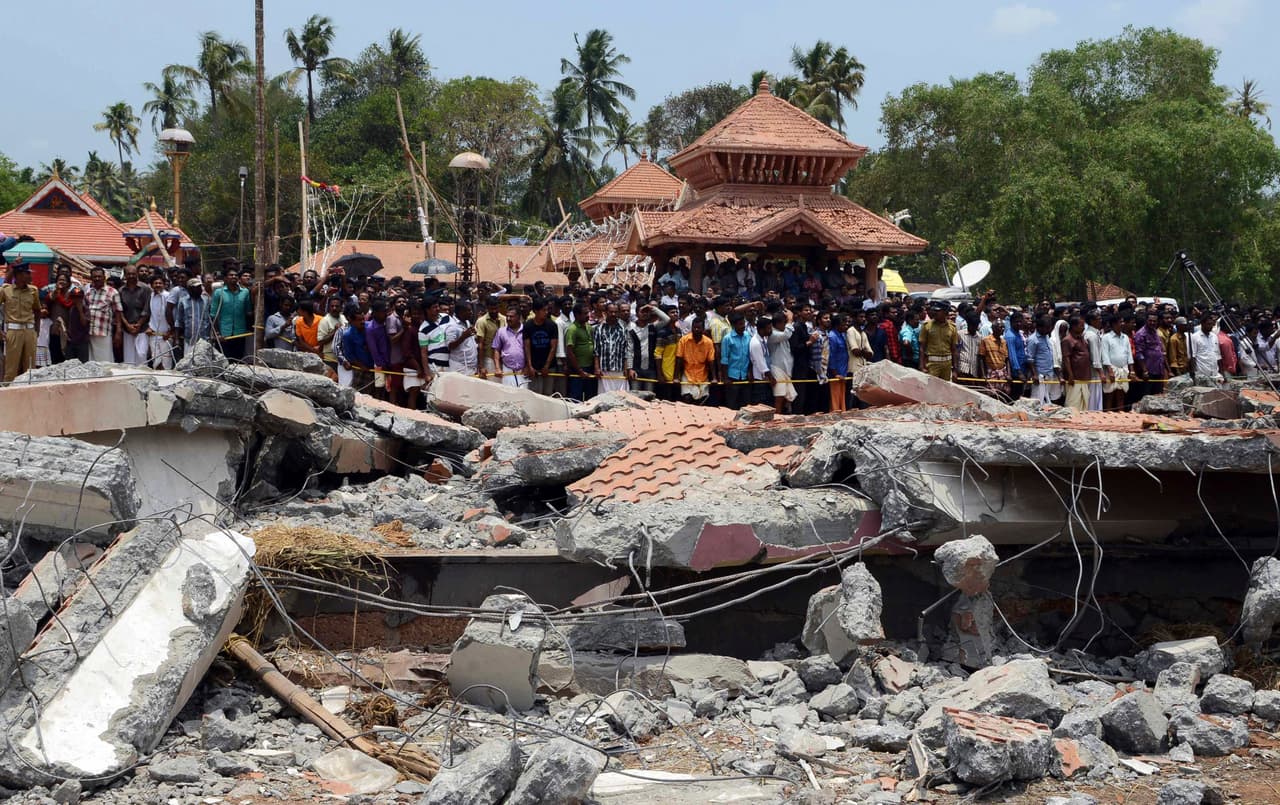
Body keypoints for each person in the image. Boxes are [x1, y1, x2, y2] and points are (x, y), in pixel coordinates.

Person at [1, 263, 40, 380]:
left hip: (29, 330)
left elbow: (37, 310)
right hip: (13, 331)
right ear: (18, 275)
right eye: (27, 273)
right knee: (11, 367)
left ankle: (29, 393)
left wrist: (36, 329)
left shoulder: (33, 290)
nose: (30, 276)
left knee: (30, 367)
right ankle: (7, 393)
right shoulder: (6, 290)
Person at [84, 267, 123, 363]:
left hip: (104, 331)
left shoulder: (112, 292)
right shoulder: (88, 292)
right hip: (89, 331)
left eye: (99, 276)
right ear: (91, 278)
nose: (97, 279)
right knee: (91, 361)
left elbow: (118, 312)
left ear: (104, 277)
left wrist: (118, 332)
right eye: (94, 277)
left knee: (105, 361)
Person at [211, 267, 251, 361]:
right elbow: (214, 315)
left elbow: (248, 312)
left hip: (240, 334)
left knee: (238, 361)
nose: (234, 276)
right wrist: (217, 333)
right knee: (223, 361)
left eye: (236, 275)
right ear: (225, 278)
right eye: (231, 275)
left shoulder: (245, 292)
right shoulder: (218, 293)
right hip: (224, 334)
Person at [676, 314, 716, 404]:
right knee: (687, 397)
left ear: (703, 329)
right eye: (694, 327)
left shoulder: (708, 342)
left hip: (702, 374)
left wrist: (714, 378)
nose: (696, 330)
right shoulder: (684, 340)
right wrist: (676, 377)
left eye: (699, 328)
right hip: (687, 373)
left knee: (703, 399)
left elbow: (711, 360)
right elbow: (679, 358)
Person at [522, 298, 558, 395]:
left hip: (549, 366)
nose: (546, 312)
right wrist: (529, 366)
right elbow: (527, 346)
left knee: (548, 393)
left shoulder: (552, 325)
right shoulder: (528, 325)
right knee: (534, 393)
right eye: (543, 310)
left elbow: (553, 347)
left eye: (547, 310)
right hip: (534, 366)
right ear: (535, 311)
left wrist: (546, 366)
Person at [593, 302, 632, 394]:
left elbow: (627, 350)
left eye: (615, 312)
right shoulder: (598, 329)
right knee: (604, 398)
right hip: (604, 370)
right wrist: (597, 368)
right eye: (611, 312)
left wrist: (627, 368)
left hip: (620, 369)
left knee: (622, 397)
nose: (613, 314)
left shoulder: (624, 329)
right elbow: (596, 350)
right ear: (606, 312)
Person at [118, 265, 151, 366]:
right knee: (128, 359)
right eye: (129, 274)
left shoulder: (146, 289)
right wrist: (127, 325)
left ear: (136, 274)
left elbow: (147, 308)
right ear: (125, 276)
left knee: (142, 356)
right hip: (127, 329)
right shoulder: (121, 291)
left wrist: (139, 324)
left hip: (142, 329)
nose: (131, 276)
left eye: (133, 274)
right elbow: (120, 311)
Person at [1101, 314, 1134, 411]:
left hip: (1123, 369)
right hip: (1112, 369)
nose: (1123, 324)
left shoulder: (1125, 337)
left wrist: (1131, 371)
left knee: (1121, 394)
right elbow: (1105, 356)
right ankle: (1107, 417)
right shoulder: (1106, 338)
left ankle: (1120, 415)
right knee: (1110, 395)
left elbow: (1129, 355)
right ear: (1114, 324)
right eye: (1121, 322)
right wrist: (1110, 371)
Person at [720, 312, 753, 409]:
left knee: (746, 405)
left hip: (745, 376)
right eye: (740, 324)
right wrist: (725, 378)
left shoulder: (748, 336)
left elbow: (750, 356)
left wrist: (750, 371)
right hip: (732, 377)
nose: (743, 326)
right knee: (732, 405)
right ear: (734, 325)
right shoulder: (727, 339)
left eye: (743, 323)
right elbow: (724, 359)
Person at [337, 305, 374, 391]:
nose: (362, 322)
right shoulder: (348, 335)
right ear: (352, 321)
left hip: (375, 366)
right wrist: (361, 366)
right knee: (358, 391)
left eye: (363, 319)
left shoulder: (369, 328)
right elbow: (349, 355)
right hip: (360, 368)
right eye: (359, 320)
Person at [918, 302, 958, 380]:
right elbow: (922, 347)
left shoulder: (952, 327)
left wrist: (955, 370)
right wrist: (921, 366)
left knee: (945, 389)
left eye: (938, 311)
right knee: (932, 389)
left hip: (947, 364)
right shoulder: (927, 326)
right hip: (932, 364)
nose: (934, 313)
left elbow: (954, 349)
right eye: (934, 311)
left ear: (945, 312)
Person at [565, 303, 597, 401]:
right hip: (578, 369)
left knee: (590, 397)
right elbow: (570, 352)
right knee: (576, 398)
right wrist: (579, 371)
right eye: (585, 313)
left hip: (590, 367)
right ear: (577, 315)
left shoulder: (589, 327)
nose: (588, 315)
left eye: (588, 312)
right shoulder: (572, 329)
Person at [1024, 315, 1058, 404]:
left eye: (1050, 327)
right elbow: (1030, 359)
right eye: (1047, 328)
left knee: (1047, 401)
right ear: (1039, 327)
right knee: (1037, 401)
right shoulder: (1033, 339)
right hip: (1039, 375)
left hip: (1048, 373)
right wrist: (1035, 374)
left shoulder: (1046, 336)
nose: (1049, 330)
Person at [1132, 313, 1166, 401]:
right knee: (1147, 398)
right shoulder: (1141, 334)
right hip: (1148, 371)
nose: (1152, 323)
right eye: (1150, 320)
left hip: (1158, 369)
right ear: (1146, 321)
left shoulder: (1155, 332)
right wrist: (1145, 370)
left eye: (1154, 321)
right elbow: (1139, 354)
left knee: (1157, 397)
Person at [1060, 316, 1092, 411]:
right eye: (1081, 325)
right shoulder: (1067, 340)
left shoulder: (1082, 338)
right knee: (1073, 405)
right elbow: (1066, 359)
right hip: (1074, 378)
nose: (1083, 328)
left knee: (1084, 404)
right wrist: (1070, 375)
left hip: (1084, 377)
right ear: (1073, 327)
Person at [489, 312, 528, 387]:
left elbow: (530, 350)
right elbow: (496, 350)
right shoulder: (501, 331)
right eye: (507, 316)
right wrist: (497, 368)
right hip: (508, 369)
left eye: (511, 316)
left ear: (518, 317)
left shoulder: (526, 330)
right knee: (509, 394)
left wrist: (527, 366)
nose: (508, 319)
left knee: (524, 395)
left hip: (524, 370)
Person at [173, 278, 212, 353]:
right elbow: (178, 321)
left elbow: (211, 319)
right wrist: (177, 339)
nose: (199, 289)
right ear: (189, 289)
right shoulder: (183, 301)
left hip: (204, 340)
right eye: (196, 288)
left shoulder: (207, 300)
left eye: (200, 287)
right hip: (189, 341)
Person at [146, 274, 175, 369]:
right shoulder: (151, 296)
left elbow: (173, 315)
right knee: (156, 361)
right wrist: (149, 327)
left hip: (166, 335)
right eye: (155, 283)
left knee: (166, 362)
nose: (158, 285)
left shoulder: (168, 296)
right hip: (154, 334)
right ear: (151, 285)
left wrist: (171, 331)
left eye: (160, 283)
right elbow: (150, 313)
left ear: (164, 284)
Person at [475, 296, 506, 381]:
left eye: (496, 308)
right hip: (489, 358)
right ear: (487, 308)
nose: (494, 311)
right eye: (491, 309)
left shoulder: (504, 319)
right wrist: (481, 366)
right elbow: (480, 345)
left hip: (503, 358)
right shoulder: (482, 321)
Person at [443, 301, 478, 375]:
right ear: (460, 312)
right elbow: (450, 346)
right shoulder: (452, 326)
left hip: (471, 366)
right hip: (460, 367)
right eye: (468, 310)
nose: (471, 312)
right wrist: (463, 337)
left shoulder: (467, 322)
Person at [979, 320, 1011, 398]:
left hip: (1003, 373)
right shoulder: (985, 340)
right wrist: (983, 374)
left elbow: (1007, 359)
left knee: (1003, 395)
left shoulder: (1004, 342)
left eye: (1003, 327)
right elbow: (981, 358)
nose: (1003, 329)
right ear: (994, 328)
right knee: (992, 395)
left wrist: (1009, 374)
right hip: (991, 372)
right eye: (1000, 327)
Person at [317, 296, 348, 378]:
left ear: (341, 307)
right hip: (330, 359)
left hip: (343, 358)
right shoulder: (325, 320)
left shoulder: (343, 318)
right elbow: (320, 341)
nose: (334, 308)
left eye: (337, 306)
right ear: (329, 307)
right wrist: (334, 331)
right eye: (332, 306)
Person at [1189, 313, 1223, 384]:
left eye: (1212, 324)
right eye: (1208, 324)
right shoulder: (1195, 337)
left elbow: (1218, 355)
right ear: (1202, 324)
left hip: (1215, 373)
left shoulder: (1214, 336)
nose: (1211, 326)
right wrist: (1195, 373)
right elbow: (1192, 356)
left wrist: (1222, 372)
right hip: (1202, 373)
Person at [827, 313, 849, 412]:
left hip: (843, 370)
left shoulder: (843, 335)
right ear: (837, 325)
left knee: (841, 397)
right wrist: (835, 373)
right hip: (835, 373)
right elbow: (831, 356)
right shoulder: (832, 336)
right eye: (844, 324)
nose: (846, 326)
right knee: (835, 398)